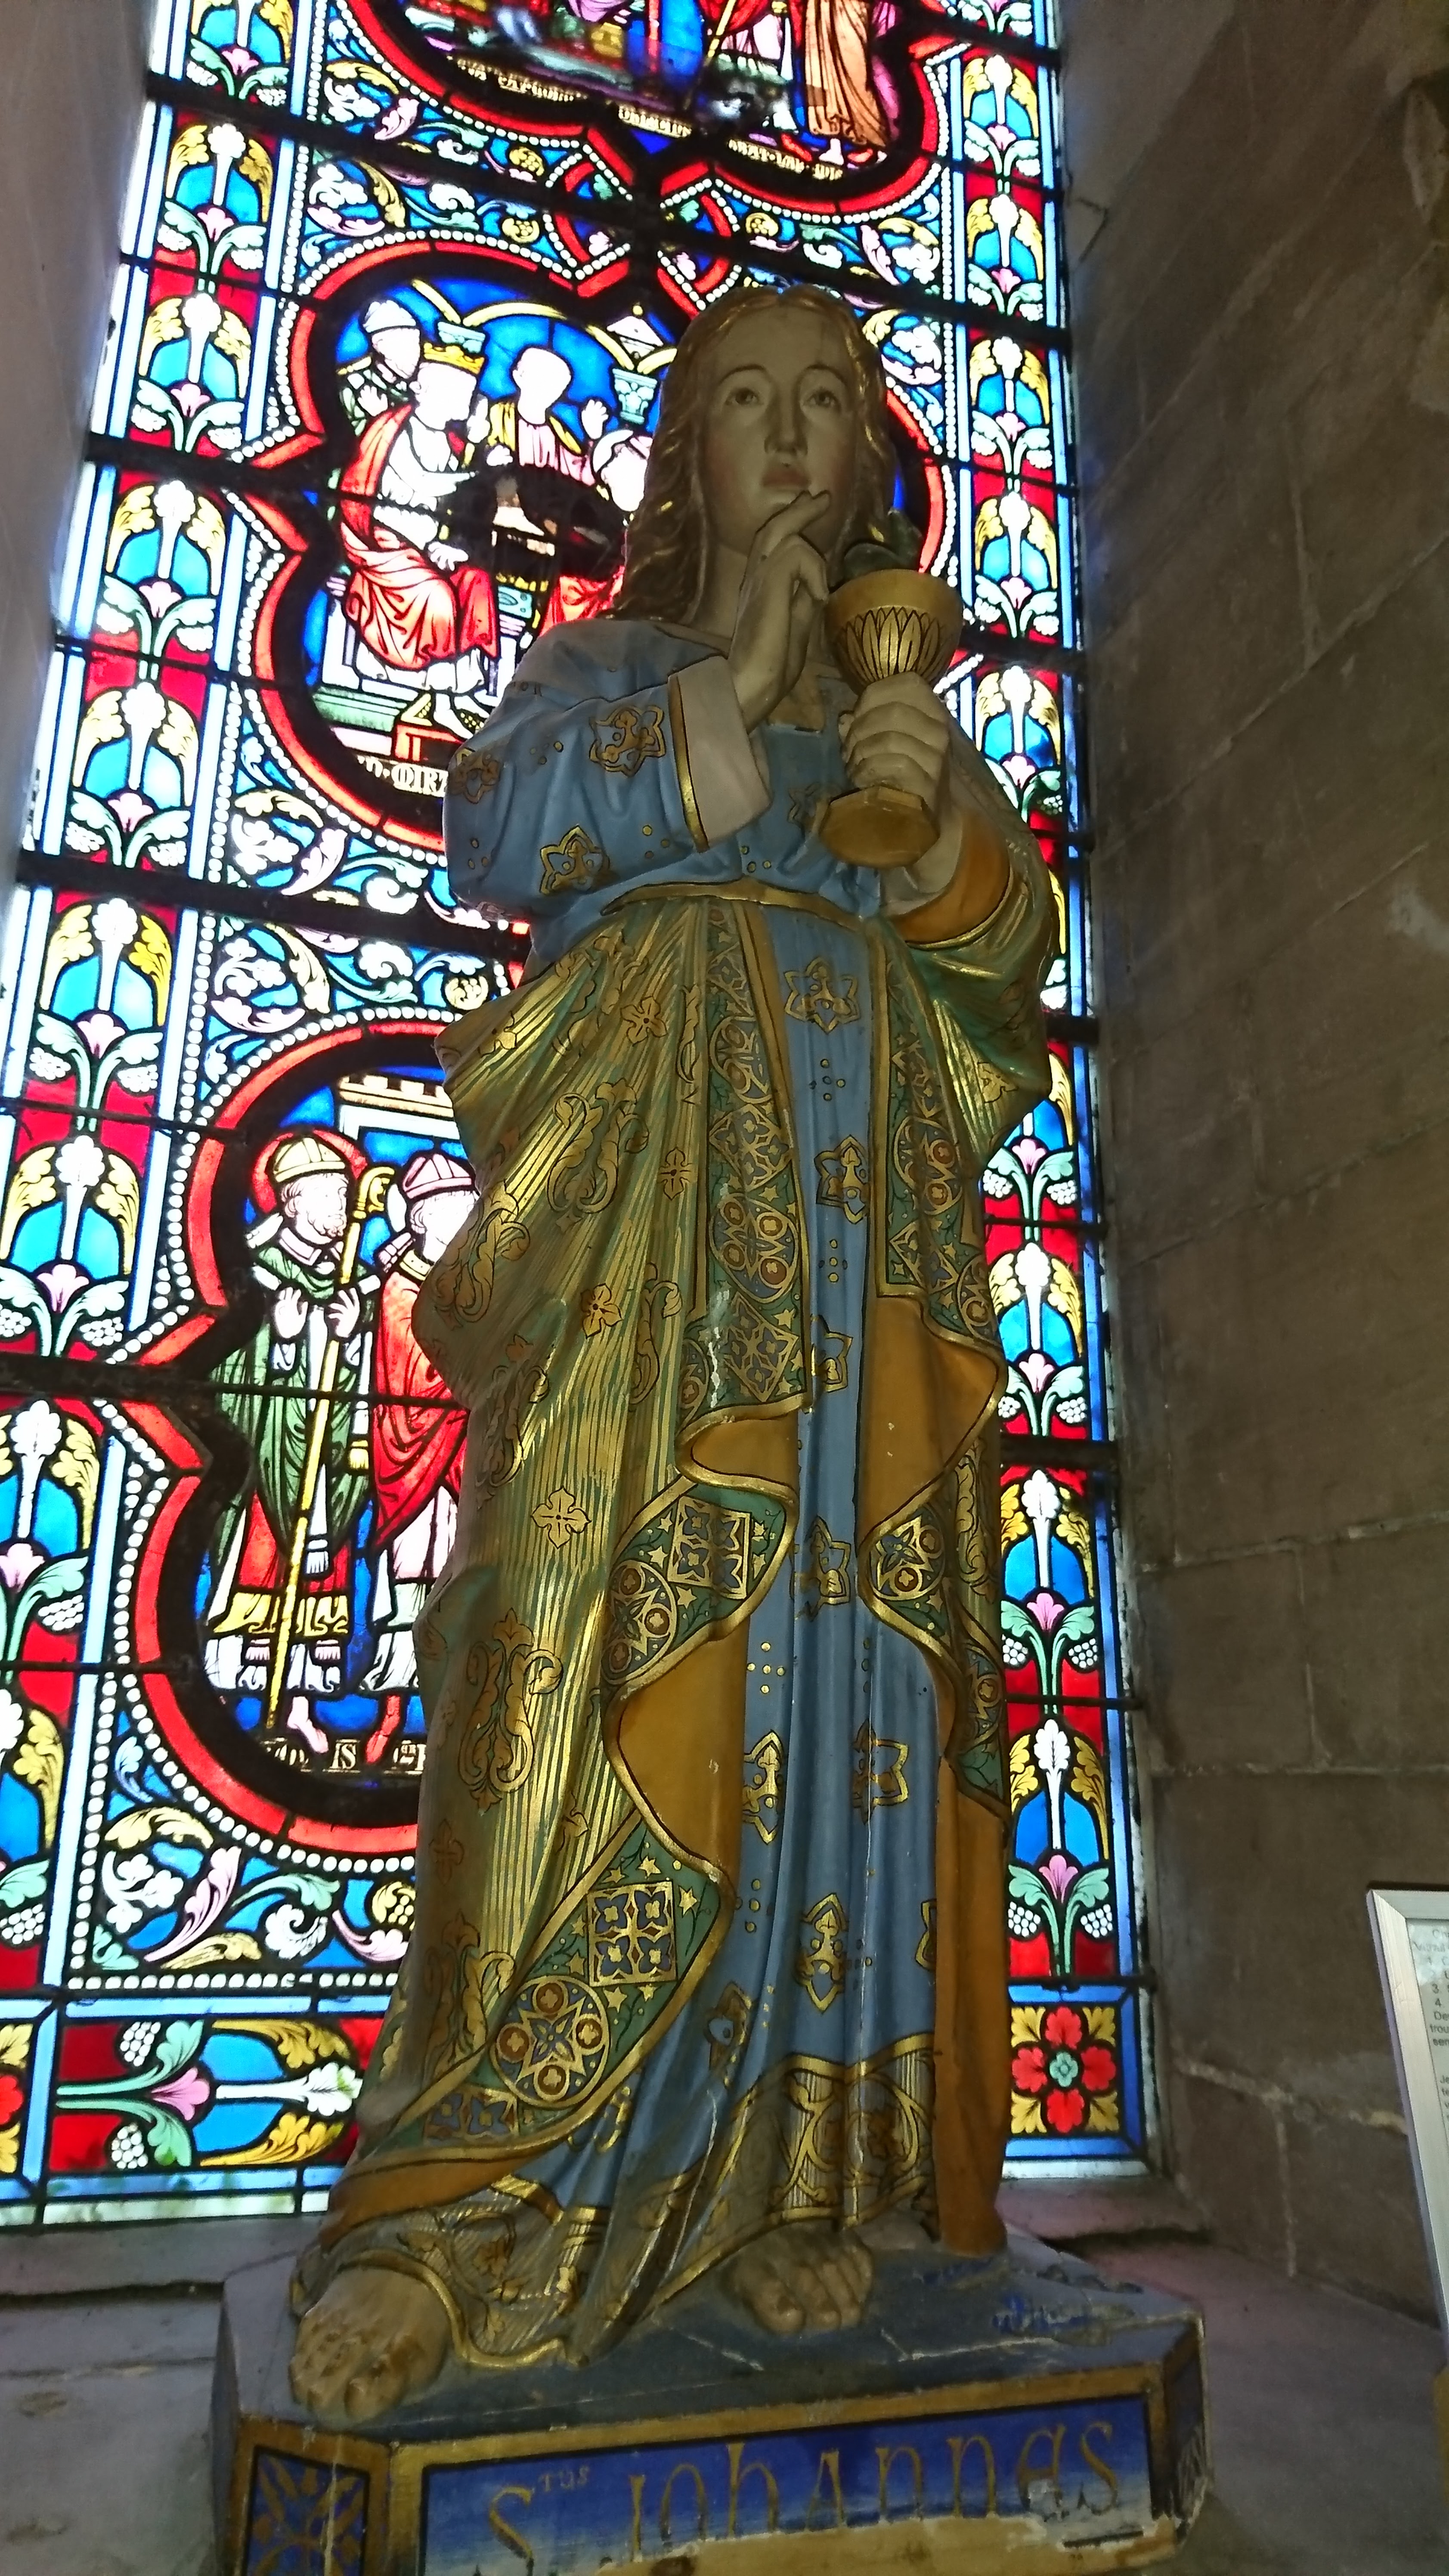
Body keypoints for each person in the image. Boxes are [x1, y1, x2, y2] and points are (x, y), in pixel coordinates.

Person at [291, 283, 1054, 2421]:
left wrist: (944, 844)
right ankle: (460, 2209)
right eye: (747, 405)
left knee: (837, 1667)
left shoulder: (907, 718)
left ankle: (796, 2184)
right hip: (641, 1231)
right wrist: (726, 671)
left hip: (856, 1246)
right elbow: (499, 827)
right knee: (555, 1628)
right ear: (687, 459)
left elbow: (1006, 969)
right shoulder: (602, 664)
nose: (792, 440)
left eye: (830, 405)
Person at [205, 1130, 376, 1752]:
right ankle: (228, 1697)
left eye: (345, 1197)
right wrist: (278, 1340)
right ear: (291, 1200)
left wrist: (351, 1339)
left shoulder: (354, 1282)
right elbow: (224, 1380)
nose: (341, 1209)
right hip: (268, 1458)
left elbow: (368, 1383)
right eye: (329, 1196)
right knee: (256, 1570)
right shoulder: (254, 1273)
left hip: (325, 1467)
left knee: (320, 1584)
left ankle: (300, 1704)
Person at [361, 1149, 477, 1764]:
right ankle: (393, 1711)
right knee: (413, 1578)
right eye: (453, 1209)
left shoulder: (476, 1285)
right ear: (422, 1218)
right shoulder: (401, 1289)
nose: (464, 1220)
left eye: (468, 1208)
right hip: (415, 1460)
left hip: (469, 1460)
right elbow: (417, 1376)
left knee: (463, 1575)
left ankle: (452, 1721)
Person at [337, 340, 498, 721]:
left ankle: (458, 692)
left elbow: (462, 504)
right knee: (437, 597)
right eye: (460, 392)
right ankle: (429, 690)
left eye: (469, 392)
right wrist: (481, 469)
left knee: (475, 582)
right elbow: (424, 481)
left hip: (426, 547)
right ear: (423, 390)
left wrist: (478, 450)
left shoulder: (449, 441)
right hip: (385, 543)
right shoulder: (397, 430)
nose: (467, 399)